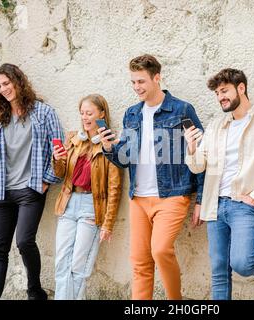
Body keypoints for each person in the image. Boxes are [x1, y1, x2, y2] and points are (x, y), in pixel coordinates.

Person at [99, 54, 205, 300]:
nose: (137, 87)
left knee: (160, 250)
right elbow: (124, 159)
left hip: (173, 195)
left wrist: (200, 199)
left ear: (157, 78)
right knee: (139, 261)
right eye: (133, 82)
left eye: (141, 82)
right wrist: (108, 148)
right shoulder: (132, 114)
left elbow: (201, 153)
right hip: (139, 198)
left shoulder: (181, 109)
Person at [184, 68, 254, 300]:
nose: (220, 97)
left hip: (247, 204)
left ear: (241, 88)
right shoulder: (216, 126)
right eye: (217, 93)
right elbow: (198, 166)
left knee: (242, 263)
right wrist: (191, 147)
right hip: (215, 205)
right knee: (219, 270)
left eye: (224, 91)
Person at [0, 63, 64, 300]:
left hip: (31, 189)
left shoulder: (44, 113)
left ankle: (35, 292)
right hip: (4, 190)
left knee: (25, 241)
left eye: (7, 83)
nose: (4, 89)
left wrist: (46, 181)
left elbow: (60, 151)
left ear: (18, 81)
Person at [51, 94, 123, 300]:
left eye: (89, 113)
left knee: (78, 266)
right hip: (68, 203)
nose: (85, 117)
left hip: (91, 207)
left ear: (101, 114)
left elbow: (114, 187)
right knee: (61, 262)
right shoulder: (74, 140)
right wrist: (57, 159)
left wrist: (108, 223)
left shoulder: (109, 145)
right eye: (82, 113)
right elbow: (60, 174)